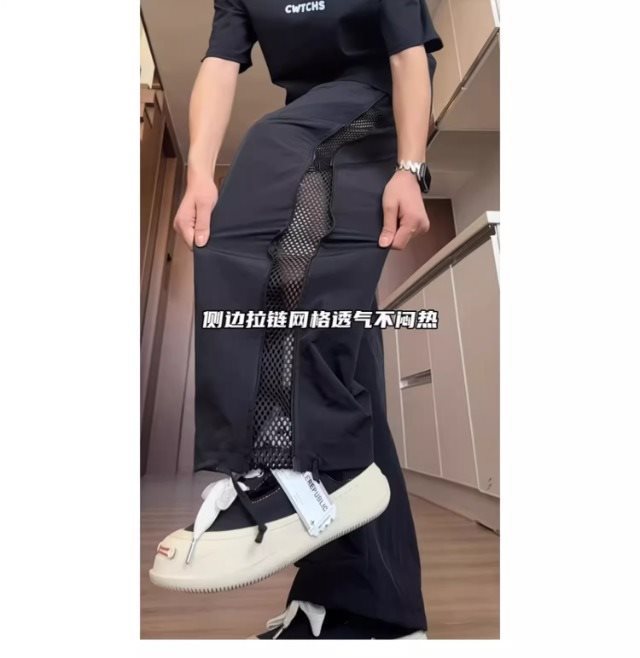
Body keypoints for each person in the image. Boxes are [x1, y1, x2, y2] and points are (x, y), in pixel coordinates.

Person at [149, 0, 443, 640]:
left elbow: (407, 56)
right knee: (347, 367)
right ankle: (374, 614)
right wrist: (197, 173)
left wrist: (410, 167)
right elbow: (219, 64)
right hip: (319, 127)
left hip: (378, 106)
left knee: (268, 150)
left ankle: (294, 463)